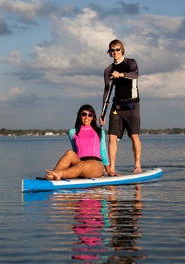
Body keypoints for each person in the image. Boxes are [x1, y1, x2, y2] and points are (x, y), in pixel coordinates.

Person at [100, 39, 142, 175]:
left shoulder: (130, 63)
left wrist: (121, 75)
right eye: (112, 50)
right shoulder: (108, 70)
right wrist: (102, 113)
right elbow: (107, 92)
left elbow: (135, 75)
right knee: (112, 136)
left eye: (117, 49)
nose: (115, 52)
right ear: (109, 52)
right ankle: (111, 169)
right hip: (117, 105)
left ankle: (137, 165)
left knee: (134, 135)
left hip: (132, 105)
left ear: (122, 50)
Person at [45, 104, 117, 180]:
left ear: (93, 117)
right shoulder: (73, 132)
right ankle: (52, 174)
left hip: (96, 165)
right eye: (84, 114)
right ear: (80, 115)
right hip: (80, 163)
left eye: (90, 115)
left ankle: (59, 174)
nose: (86, 117)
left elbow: (103, 151)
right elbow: (75, 151)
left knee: (82, 165)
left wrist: (109, 172)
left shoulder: (99, 131)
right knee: (70, 153)